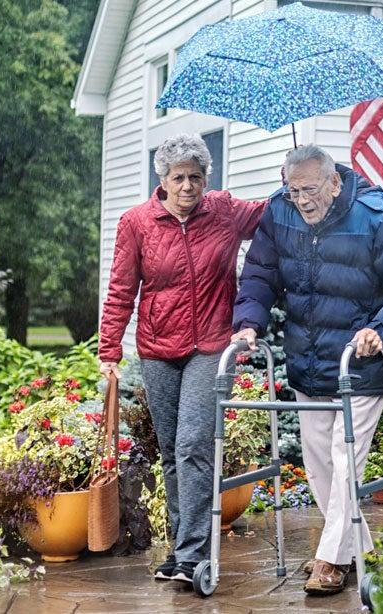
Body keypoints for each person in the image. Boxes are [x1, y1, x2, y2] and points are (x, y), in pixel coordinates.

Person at [231, 144, 383, 595]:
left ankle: (332, 560)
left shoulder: (376, 219)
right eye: (293, 190)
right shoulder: (279, 213)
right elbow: (260, 273)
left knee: (345, 461)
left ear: (335, 182)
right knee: (319, 463)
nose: (301, 200)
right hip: (307, 362)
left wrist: (382, 328)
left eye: (309, 190)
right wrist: (248, 321)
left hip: (358, 363)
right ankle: (356, 548)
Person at [98, 133, 267, 583]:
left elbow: (271, 215)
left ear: (206, 178)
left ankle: (193, 554)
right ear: (163, 180)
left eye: (196, 177)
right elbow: (121, 290)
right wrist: (109, 349)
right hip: (158, 349)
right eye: (179, 178)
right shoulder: (137, 222)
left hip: (211, 346)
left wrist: (299, 177)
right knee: (172, 451)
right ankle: (180, 549)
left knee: (194, 445)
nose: (188, 186)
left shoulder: (224, 211)